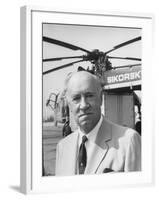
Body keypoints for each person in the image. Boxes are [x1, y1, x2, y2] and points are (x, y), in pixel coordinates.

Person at [55, 71, 141, 176]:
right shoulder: (63, 147)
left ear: (100, 99)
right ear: (69, 105)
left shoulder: (128, 141)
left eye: (89, 96)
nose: (83, 105)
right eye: (76, 98)